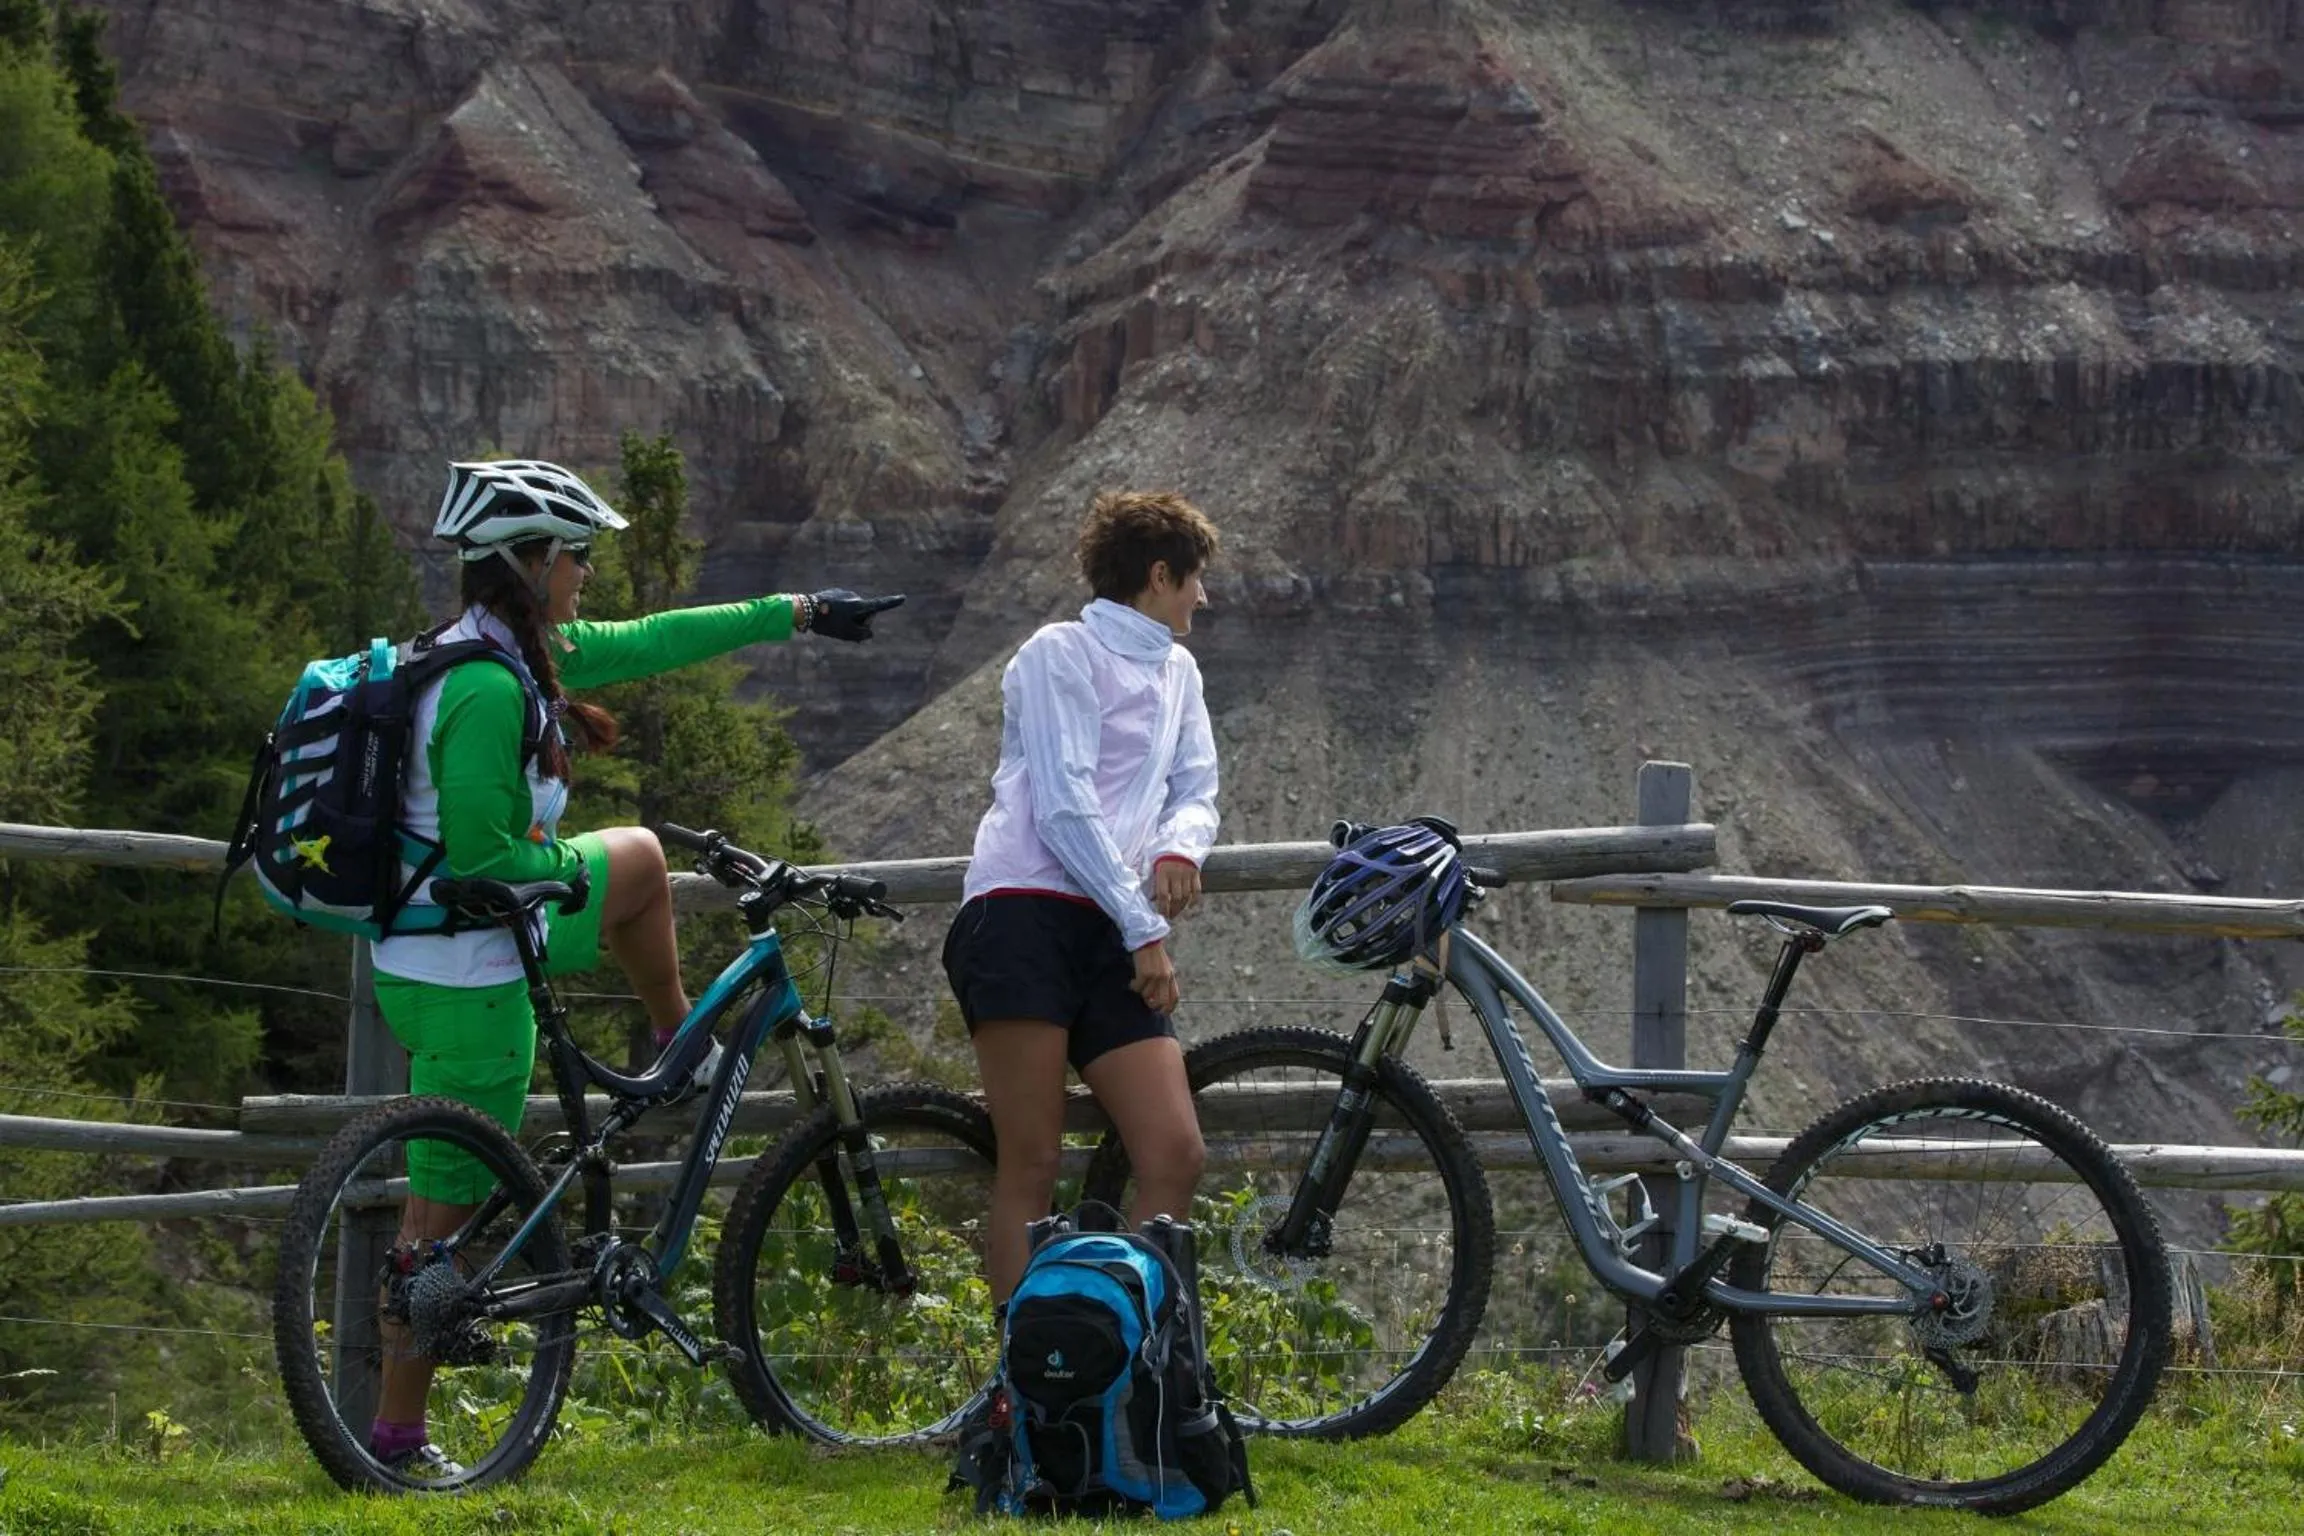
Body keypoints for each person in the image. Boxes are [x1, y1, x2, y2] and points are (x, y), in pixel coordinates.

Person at [366, 458, 900, 1477]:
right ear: (525, 563)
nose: (588, 573)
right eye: (576, 556)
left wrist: (795, 611)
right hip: (471, 967)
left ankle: (674, 1042)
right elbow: (481, 855)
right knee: (436, 1215)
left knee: (639, 864)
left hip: (424, 955)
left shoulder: (489, 652)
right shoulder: (485, 687)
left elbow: (655, 641)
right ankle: (396, 1437)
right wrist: (565, 870)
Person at [942, 489, 1222, 1311]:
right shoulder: (1055, 654)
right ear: (1160, 574)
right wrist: (1144, 928)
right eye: (1195, 580)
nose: (1203, 599)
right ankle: (1018, 1393)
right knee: (1031, 1162)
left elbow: (1198, 784)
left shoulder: (1180, 671)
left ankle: (1117, 1363)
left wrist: (1180, 848)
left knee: (1174, 1151)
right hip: (1022, 913)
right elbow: (1064, 806)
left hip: (1113, 926)